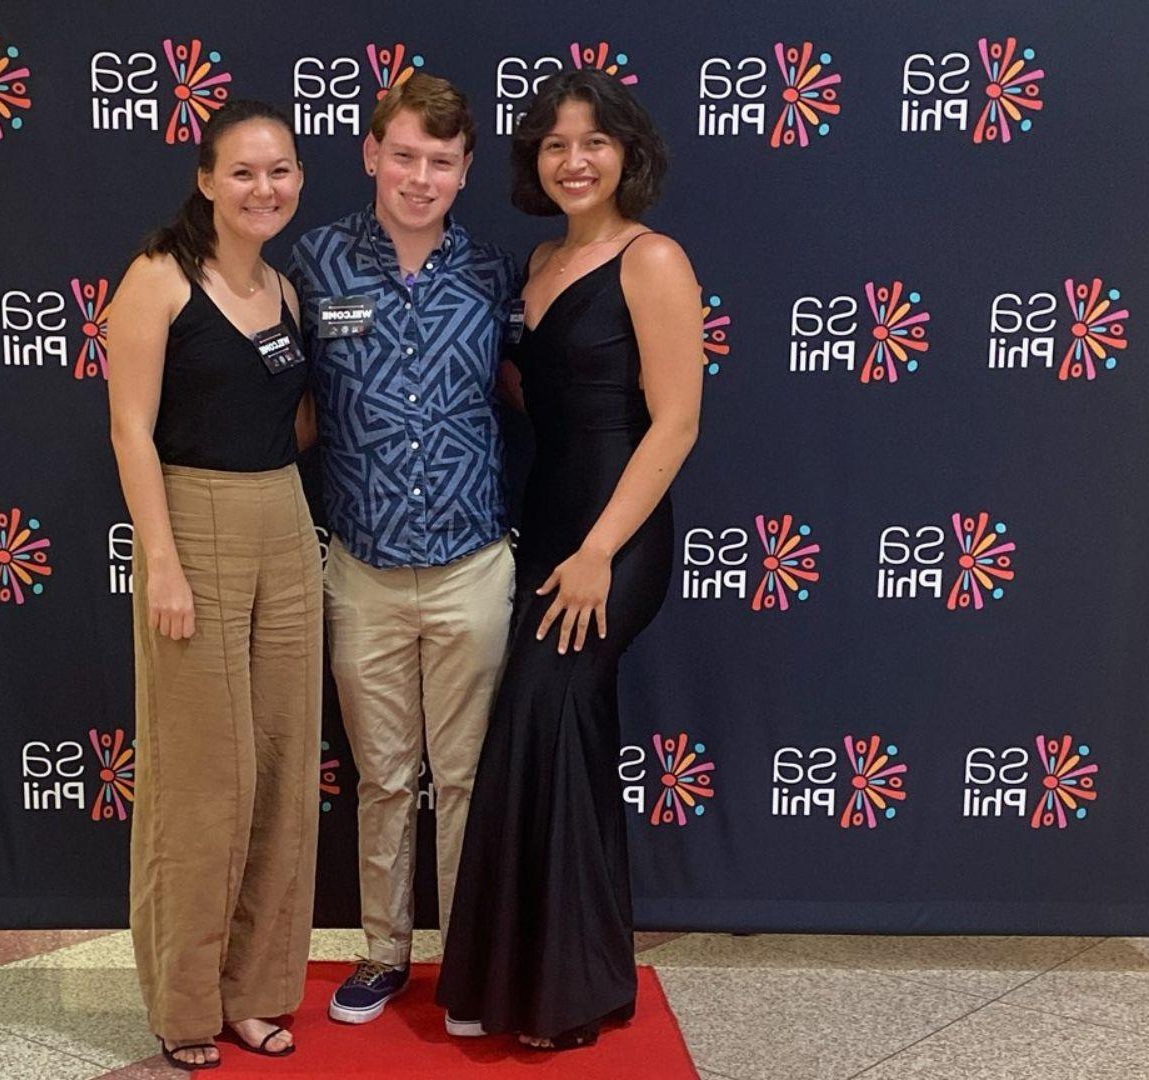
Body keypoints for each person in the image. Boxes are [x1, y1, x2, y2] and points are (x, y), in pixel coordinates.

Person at [435, 69, 704, 1050]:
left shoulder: (653, 260)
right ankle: (529, 981)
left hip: (614, 536)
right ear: (534, 161)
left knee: (553, 714)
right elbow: (509, 392)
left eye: (593, 141)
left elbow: (675, 424)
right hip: (543, 526)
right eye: (554, 143)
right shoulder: (538, 261)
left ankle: (567, 995)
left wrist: (598, 551)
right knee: (557, 737)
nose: (574, 159)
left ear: (626, 152)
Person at [285, 74, 521, 1034]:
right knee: (382, 774)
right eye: (405, 156)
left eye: (442, 162)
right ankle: (384, 955)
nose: (420, 178)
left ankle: (466, 963)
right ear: (372, 154)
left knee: (465, 774)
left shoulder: (495, 273)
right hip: (364, 565)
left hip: (473, 561)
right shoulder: (313, 263)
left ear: (465, 171)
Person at [106, 99, 320, 1072]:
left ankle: (257, 990)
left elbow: (294, 422)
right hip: (191, 518)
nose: (262, 187)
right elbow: (129, 430)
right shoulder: (157, 278)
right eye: (242, 171)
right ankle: (185, 1004)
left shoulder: (287, 289)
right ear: (205, 178)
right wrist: (162, 559)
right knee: (202, 783)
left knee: (281, 772)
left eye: (279, 171)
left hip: (284, 518)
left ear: (298, 181)